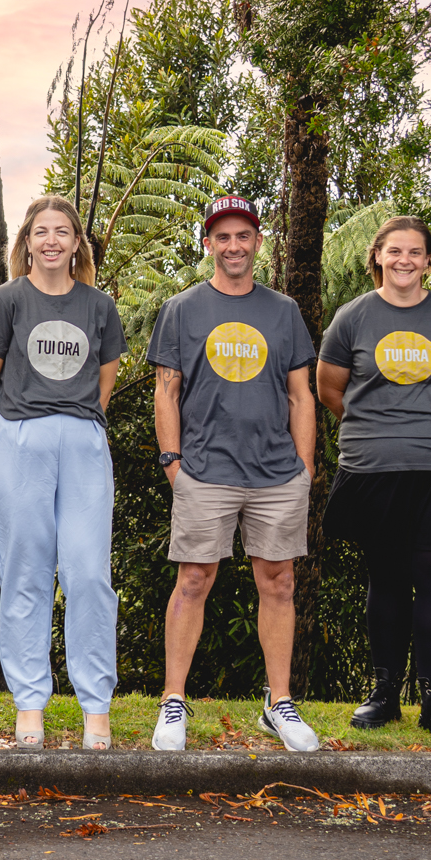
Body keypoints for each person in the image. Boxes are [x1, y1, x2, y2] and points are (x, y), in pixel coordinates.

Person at [146, 195, 320, 753]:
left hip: (276, 473)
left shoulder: (283, 311)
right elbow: (166, 389)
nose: (233, 245)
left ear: (258, 243)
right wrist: (173, 462)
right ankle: (174, 701)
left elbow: (301, 394)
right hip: (204, 469)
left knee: (280, 582)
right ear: (208, 245)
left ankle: (279, 703)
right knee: (193, 580)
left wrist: (305, 468)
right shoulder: (182, 309)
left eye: (243, 235)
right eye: (222, 237)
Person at [316, 215, 431, 750]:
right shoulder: (353, 317)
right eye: (395, 252)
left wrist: (422, 429)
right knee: (386, 575)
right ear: (378, 258)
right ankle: (385, 691)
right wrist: (382, 428)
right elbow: (330, 390)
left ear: (429, 261)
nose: (405, 260)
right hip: (373, 467)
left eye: (415, 252)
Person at [0, 196, 127, 751]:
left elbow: (104, 378)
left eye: (63, 231)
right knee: (25, 574)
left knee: (88, 574)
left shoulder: (98, 305)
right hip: (20, 439)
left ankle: (95, 707)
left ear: (77, 242)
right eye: (42, 232)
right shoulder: (7, 300)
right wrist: (10, 438)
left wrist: (77, 426)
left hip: (82, 441)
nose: (53, 241)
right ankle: (30, 705)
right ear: (27, 242)